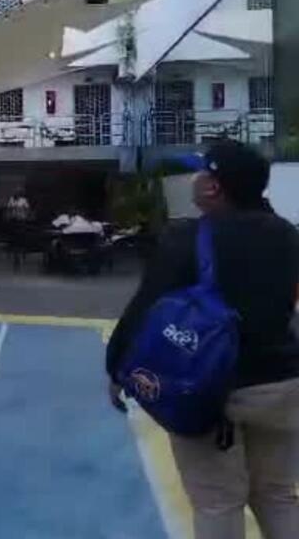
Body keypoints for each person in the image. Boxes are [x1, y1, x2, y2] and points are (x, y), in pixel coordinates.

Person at [106, 142, 299, 539]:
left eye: (200, 172)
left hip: (214, 391)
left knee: (217, 503)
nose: (194, 179)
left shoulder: (189, 237)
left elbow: (147, 307)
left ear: (214, 187)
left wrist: (117, 366)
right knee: (278, 495)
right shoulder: (288, 234)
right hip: (284, 387)